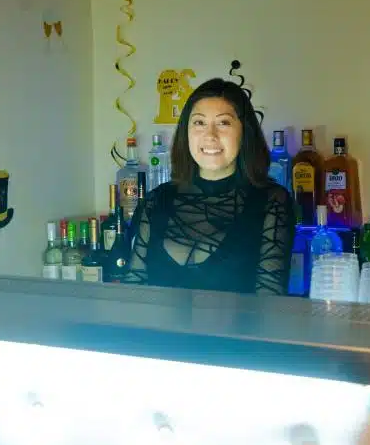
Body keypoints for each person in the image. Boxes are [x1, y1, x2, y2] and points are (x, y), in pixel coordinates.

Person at [122, 78, 296, 294]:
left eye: (223, 123)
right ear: (186, 132)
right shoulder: (156, 201)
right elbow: (134, 286)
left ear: (244, 132)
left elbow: (269, 300)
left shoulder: (272, 202)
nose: (210, 135)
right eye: (199, 123)